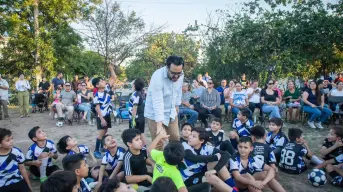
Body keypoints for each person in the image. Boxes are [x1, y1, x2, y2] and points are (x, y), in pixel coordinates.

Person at [144, 55, 185, 150]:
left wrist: (177, 105)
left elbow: (178, 90)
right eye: (173, 73)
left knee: (175, 139)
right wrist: (159, 126)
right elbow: (158, 102)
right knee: (158, 142)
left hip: (171, 111)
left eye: (179, 73)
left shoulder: (181, 74)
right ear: (167, 67)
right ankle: (159, 164)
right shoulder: (157, 77)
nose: (176, 76)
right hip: (154, 113)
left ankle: (174, 162)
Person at [93, 81, 113, 159]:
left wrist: (111, 68)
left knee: (105, 131)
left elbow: (114, 78)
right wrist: (102, 119)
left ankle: (102, 147)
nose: (104, 82)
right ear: (97, 85)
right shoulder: (96, 95)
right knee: (101, 134)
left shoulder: (106, 90)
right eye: (101, 81)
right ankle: (96, 151)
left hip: (107, 115)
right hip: (101, 116)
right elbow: (97, 108)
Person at [129, 78, 147, 145]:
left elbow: (135, 107)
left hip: (136, 118)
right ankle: (144, 148)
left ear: (134, 85)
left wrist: (133, 119)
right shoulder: (141, 93)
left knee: (136, 134)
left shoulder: (135, 94)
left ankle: (142, 148)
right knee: (140, 134)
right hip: (141, 117)